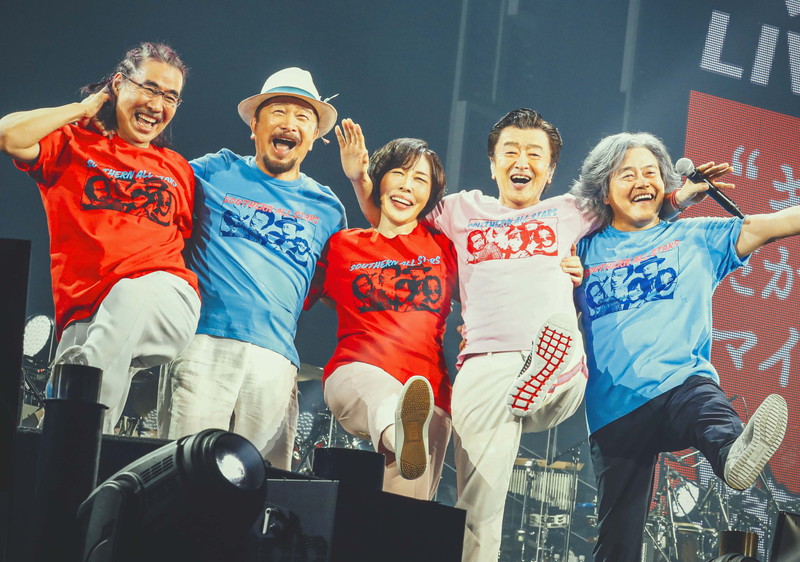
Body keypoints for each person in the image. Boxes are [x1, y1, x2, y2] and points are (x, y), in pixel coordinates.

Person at [342, 109, 617, 561]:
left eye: (534, 154)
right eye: (510, 152)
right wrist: (360, 181)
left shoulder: (572, 209)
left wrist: (678, 196)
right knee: (477, 506)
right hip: (485, 364)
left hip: (552, 354)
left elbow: (634, 207)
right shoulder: (461, 209)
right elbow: (395, 220)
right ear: (492, 164)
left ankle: (549, 372)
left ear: (551, 171)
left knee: (561, 329)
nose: (521, 162)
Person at [570, 132, 791, 562]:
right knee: (617, 540)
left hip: (680, 385)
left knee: (707, 407)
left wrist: (678, 204)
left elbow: (776, 223)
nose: (641, 181)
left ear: (665, 181)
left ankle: (733, 455)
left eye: (650, 172)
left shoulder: (697, 236)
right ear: (604, 190)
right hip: (613, 408)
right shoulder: (582, 249)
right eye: (626, 175)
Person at [0, 42, 200, 433]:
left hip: (164, 297)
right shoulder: (73, 143)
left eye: (170, 97)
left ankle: (67, 416)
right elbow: (8, 135)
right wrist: (82, 109)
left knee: (124, 302)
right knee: (89, 421)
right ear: (118, 84)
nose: (157, 104)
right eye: (150, 89)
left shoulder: (177, 168)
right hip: (87, 312)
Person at [157, 68, 346, 470]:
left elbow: (333, 284)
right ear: (254, 126)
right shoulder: (213, 170)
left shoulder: (328, 207)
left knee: (261, 486)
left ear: (314, 136)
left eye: (302, 117)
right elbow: (155, 190)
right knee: (184, 475)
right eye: (278, 112)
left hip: (276, 361)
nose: (289, 123)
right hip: (204, 344)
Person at [307, 134, 456, 500]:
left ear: (430, 195)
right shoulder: (343, 245)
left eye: (420, 179)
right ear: (380, 179)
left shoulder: (444, 247)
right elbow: (297, 289)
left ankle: (403, 433)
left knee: (403, 517)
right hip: (356, 373)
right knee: (383, 395)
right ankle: (399, 428)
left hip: (430, 395)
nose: (407, 186)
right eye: (398, 173)